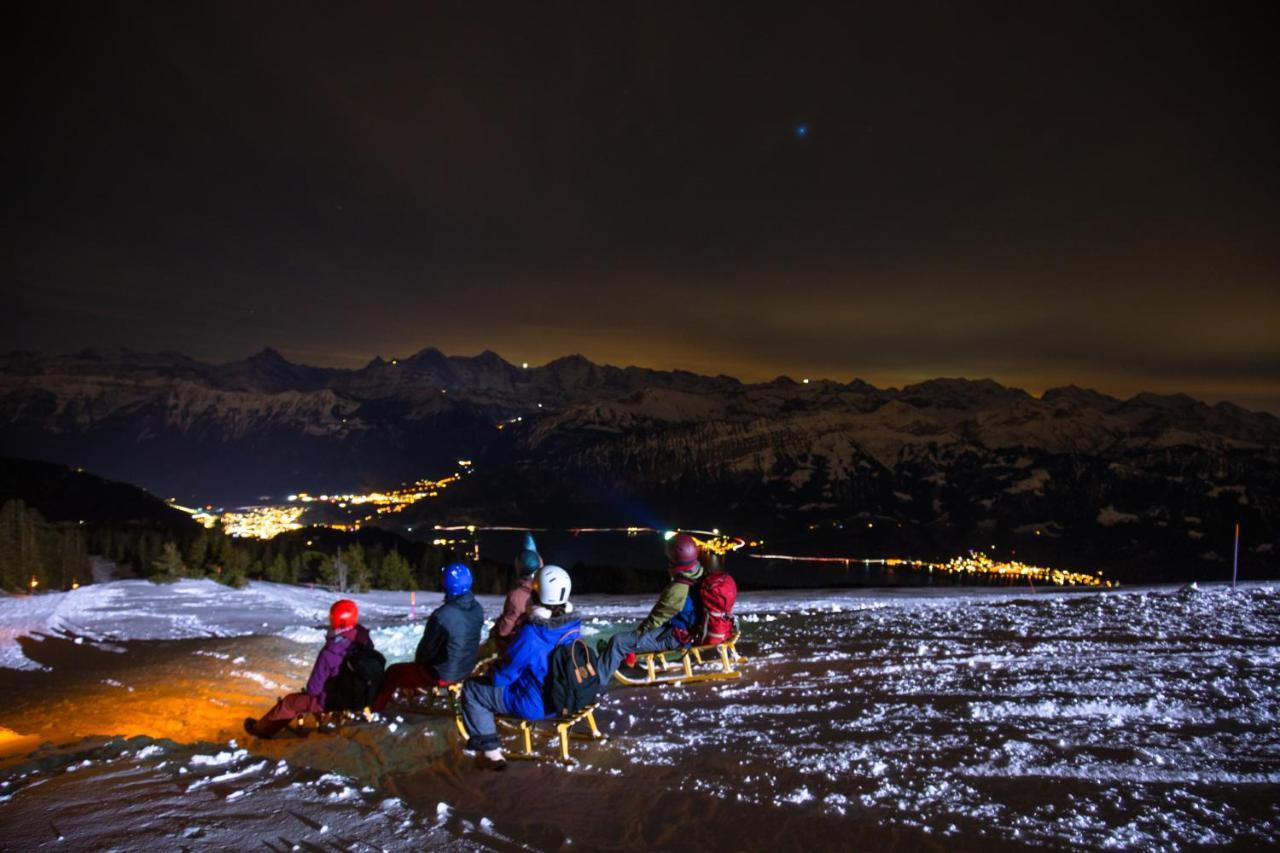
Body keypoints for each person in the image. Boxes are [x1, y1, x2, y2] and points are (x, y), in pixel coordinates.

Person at [460, 564, 580, 770]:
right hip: (566, 696)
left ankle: (491, 753)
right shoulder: (573, 624)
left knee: (472, 689)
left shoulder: (532, 634)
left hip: (537, 705)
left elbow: (504, 676)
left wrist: (489, 671)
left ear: (536, 594)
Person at [245, 598, 375, 738]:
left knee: (290, 702)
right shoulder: (366, 643)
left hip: (336, 700)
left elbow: (314, 689)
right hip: (364, 695)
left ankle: (262, 730)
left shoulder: (330, 651)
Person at [369, 562, 484, 712]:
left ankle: (375, 710)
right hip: (466, 668)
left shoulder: (442, 616)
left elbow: (426, 651)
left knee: (393, 672)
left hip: (444, 674)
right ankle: (413, 696)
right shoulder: (477, 608)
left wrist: (420, 664)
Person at [596, 532, 704, 684]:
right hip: (689, 631)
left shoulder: (678, 588)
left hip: (678, 637)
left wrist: (633, 644)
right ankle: (614, 660)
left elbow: (654, 621)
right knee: (627, 640)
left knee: (618, 641)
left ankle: (595, 684)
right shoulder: (698, 574)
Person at [481, 532, 542, 656]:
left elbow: (504, 630)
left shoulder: (517, 595)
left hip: (523, 646)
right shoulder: (544, 588)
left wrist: (495, 631)